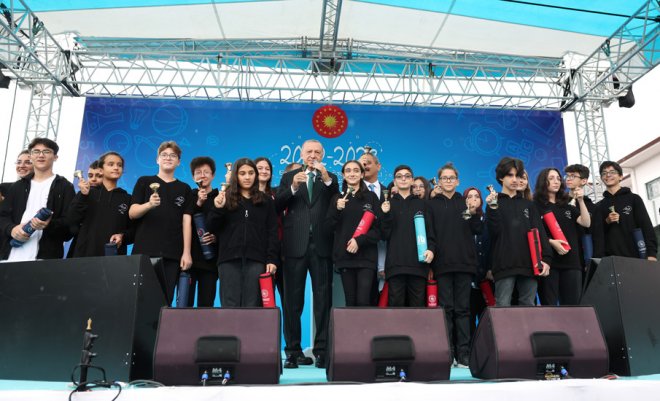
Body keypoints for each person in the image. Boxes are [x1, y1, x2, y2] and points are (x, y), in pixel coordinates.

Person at [275, 139, 338, 369]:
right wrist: (293, 186)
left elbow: (337, 201)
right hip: (294, 245)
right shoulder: (289, 177)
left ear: (323, 155)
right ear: (301, 154)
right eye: (309, 151)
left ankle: (322, 351)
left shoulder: (330, 178)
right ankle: (293, 351)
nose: (313, 155)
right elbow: (277, 205)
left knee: (323, 300)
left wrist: (327, 178)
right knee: (292, 301)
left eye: (317, 152)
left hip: (322, 246)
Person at [427, 163, 481, 368]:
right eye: (444, 178)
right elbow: (430, 235)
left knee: (463, 310)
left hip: (465, 264)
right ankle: (448, 353)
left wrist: (473, 212)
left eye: (452, 178)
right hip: (442, 265)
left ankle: (464, 353)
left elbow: (477, 229)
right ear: (439, 182)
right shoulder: (432, 205)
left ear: (458, 181)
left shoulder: (464, 202)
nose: (448, 181)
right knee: (445, 309)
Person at [207, 158, 279, 307]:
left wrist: (271, 259)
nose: (247, 177)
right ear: (236, 176)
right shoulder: (225, 198)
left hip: (257, 260)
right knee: (230, 306)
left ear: (256, 175)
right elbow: (212, 227)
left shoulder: (266, 201)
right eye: (242, 173)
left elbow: (272, 232)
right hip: (228, 260)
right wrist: (218, 209)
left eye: (251, 173)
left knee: (253, 306)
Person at [129, 141, 194, 305]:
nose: (168, 158)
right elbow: (132, 213)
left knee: (165, 301)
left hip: (172, 253)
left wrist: (186, 252)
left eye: (173, 155)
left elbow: (186, 222)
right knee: (139, 300)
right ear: (157, 159)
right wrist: (149, 205)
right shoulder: (144, 181)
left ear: (178, 162)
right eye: (164, 155)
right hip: (144, 251)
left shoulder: (185, 188)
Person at [485, 157, 551, 306]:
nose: (515, 179)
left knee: (528, 305)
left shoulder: (529, 205)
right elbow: (494, 233)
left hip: (529, 264)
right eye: (510, 175)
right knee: (502, 306)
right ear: (501, 177)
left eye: (518, 175)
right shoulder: (493, 203)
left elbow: (540, 232)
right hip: (503, 264)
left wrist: (547, 259)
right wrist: (493, 208)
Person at [0, 138, 75, 261]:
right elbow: (2, 216)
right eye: (36, 151)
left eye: (46, 151)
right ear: (31, 156)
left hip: (45, 259)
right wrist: (11, 229)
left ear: (55, 157)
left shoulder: (65, 187)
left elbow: (71, 225)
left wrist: (49, 225)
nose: (41, 155)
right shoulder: (17, 186)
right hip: (9, 256)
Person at [325, 160, 380, 307]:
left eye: (356, 170)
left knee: (363, 301)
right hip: (345, 257)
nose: (352, 174)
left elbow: (379, 230)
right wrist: (337, 209)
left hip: (366, 257)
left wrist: (359, 240)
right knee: (350, 302)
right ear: (343, 175)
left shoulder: (372, 197)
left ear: (362, 174)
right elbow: (328, 228)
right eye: (348, 171)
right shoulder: (337, 198)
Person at [534, 168, 591, 305]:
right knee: (550, 307)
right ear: (543, 181)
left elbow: (586, 222)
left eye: (558, 178)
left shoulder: (566, 205)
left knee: (573, 306)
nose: (556, 181)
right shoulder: (535, 205)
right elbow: (532, 232)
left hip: (572, 262)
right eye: (551, 178)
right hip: (549, 263)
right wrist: (550, 242)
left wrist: (581, 201)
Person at [381, 165, 435, 307]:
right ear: (394, 181)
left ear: (412, 180)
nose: (403, 179)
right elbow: (384, 235)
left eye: (407, 176)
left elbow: (431, 233)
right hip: (395, 265)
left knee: (417, 310)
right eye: (399, 176)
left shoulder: (423, 204)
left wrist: (431, 249)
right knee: (395, 310)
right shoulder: (387, 204)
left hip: (418, 265)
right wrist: (385, 214)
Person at [67, 151, 133, 257]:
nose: (116, 168)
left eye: (119, 165)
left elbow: (133, 230)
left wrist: (122, 236)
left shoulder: (128, 198)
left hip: (113, 258)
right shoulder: (86, 193)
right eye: (111, 164)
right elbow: (71, 220)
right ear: (101, 170)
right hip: (83, 256)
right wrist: (83, 196)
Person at [596, 161, 657, 261]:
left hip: (637, 256)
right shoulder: (599, 206)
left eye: (612, 172)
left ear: (621, 176)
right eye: (604, 173)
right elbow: (597, 235)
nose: (608, 175)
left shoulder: (634, 199)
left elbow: (646, 226)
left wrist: (651, 253)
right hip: (611, 260)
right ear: (602, 178)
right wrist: (607, 221)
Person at [188, 156, 219, 307]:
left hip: (211, 263)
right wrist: (198, 203)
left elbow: (227, 225)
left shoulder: (220, 197)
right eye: (198, 172)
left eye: (206, 172)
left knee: (206, 305)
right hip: (189, 260)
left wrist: (216, 237)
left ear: (213, 175)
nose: (202, 175)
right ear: (193, 177)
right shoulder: (189, 196)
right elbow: (183, 222)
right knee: (184, 304)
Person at [358, 150, 388, 304]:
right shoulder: (350, 192)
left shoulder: (389, 191)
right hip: (361, 253)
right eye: (361, 163)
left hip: (384, 251)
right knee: (363, 299)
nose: (364, 166)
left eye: (368, 163)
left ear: (378, 166)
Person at [463, 187, 491, 337]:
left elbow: (493, 246)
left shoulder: (487, 220)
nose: (473, 199)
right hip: (466, 279)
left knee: (486, 319)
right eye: (469, 197)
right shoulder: (461, 219)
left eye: (476, 196)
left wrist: (490, 268)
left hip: (486, 278)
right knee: (467, 318)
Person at [564, 164, 604, 263]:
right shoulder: (559, 203)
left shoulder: (593, 208)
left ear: (584, 181)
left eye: (573, 176)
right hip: (564, 253)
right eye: (567, 175)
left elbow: (598, 236)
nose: (568, 179)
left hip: (585, 256)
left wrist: (595, 260)